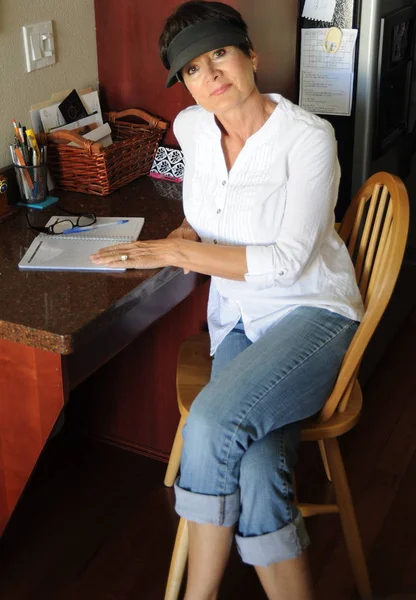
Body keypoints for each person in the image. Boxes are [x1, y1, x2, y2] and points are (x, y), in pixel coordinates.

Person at [91, 2, 364, 598]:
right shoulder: (191, 128)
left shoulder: (308, 138)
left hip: (311, 312)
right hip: (239, 316)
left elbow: (289, 261)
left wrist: (176, 254)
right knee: (262, 470)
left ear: (250, 57)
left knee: (212, 421)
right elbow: (209, 216)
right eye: (191, 69)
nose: (209, 74)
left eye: (219, 53)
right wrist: (185, 236)